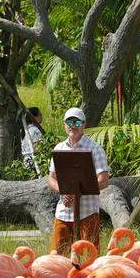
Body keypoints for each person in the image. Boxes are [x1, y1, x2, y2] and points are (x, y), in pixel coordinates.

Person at [47, 107, 110, 254]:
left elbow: (104, 180)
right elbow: (51, 178)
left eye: (77, 121)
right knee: (56, 256)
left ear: (84, 124)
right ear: (64, 124)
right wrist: (64, 191)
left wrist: (78, 192)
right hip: (64, 211)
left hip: (87, 211)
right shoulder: (59, 148)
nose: (73, 125)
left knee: (90, 256)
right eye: (69, 121)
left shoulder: (95, 149)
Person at [21, 107, 45, 174]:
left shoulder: (24, 130)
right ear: (34, 117)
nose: (41, 116)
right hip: (34, 162)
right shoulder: (35, 130)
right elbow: (40, 147)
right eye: (40, 115)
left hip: (25, 162)